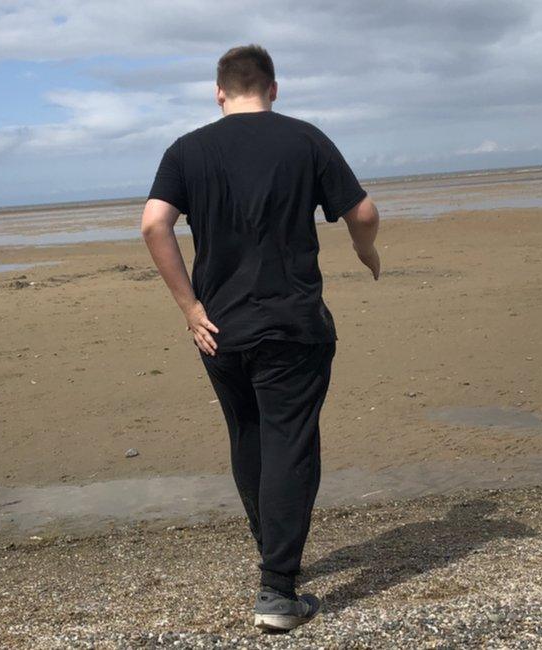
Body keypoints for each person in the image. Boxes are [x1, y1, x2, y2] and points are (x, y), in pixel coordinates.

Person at [140, 44, 381, 632]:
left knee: (249, 434)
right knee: (290, 442)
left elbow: (154, 224)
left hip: (219, 329)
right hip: (292, 323)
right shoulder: (305, 140)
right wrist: (364, 249)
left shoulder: (186, 149)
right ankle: (277, 591)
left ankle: (271, 548)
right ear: (273, 89)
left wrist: (190, 307)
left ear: (219, 91)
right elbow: (364, 212)